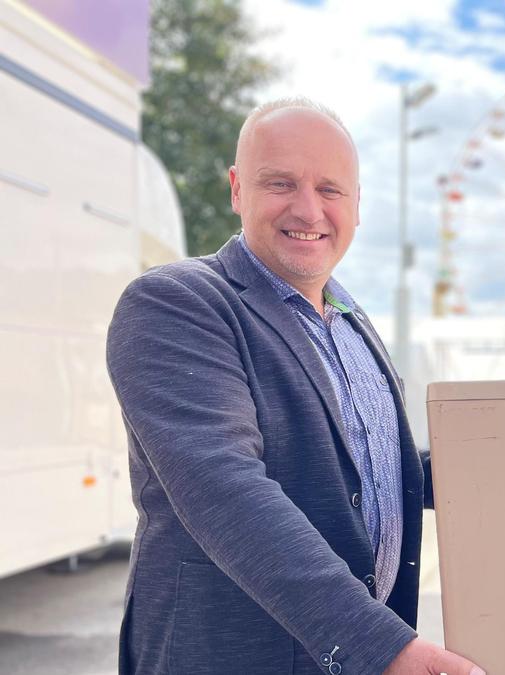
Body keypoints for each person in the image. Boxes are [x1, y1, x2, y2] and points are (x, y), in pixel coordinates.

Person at [107, 98, 484, 675]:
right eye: (280, 182)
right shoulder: (178, 304)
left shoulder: (353, 324)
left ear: (357, 205)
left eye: (331, 190)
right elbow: (224, 489)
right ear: (237, 190)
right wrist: (379, 647)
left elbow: (374, 472)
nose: (309, 209)